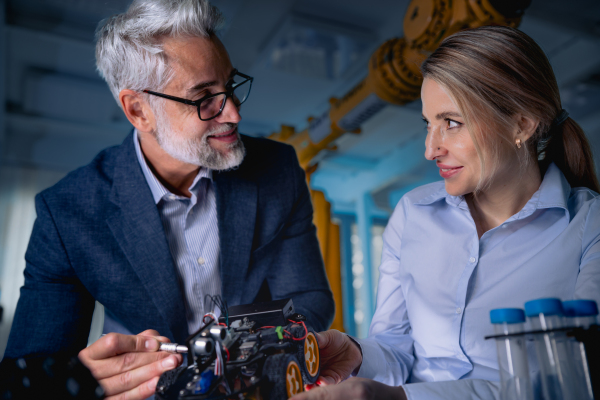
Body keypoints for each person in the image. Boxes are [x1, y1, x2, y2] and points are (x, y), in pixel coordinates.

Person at [3, 0, 334, 398]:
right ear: (138, 110)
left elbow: (309, 302)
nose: (233, 113)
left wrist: (239, 362)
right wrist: (69, 383)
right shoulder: (67, 212)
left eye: (230, 85)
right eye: (204, 97)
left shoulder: (277, 170)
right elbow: (31, 370)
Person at [292, 25, 600, 400]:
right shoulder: (412, 214)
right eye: (429, 123)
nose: (430, 149)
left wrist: (401, 398)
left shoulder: (588, 226)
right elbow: (397, 346)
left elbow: (576, 383)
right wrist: (358, 354)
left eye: (451, 123)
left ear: (522, 124)